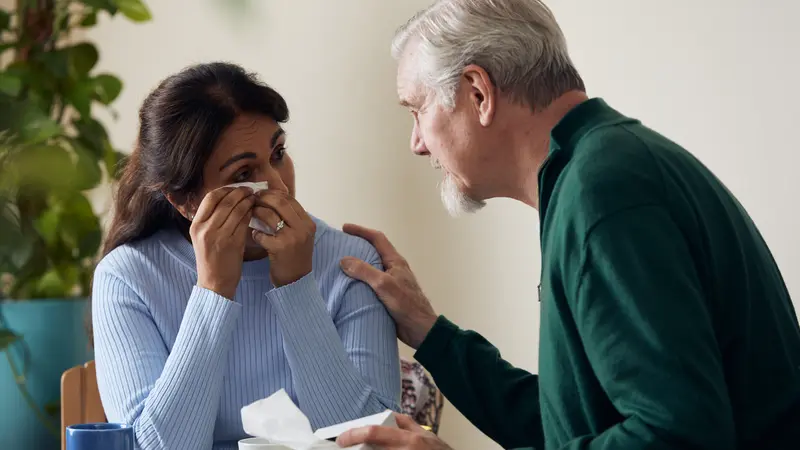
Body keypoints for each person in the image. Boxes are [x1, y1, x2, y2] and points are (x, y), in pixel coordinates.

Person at [335, 1, 800, 449]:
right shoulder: (606, 168)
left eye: (416, 110)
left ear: (478, 93)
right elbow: (572, 428)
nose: (417, 142)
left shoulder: (603, 193)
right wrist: (430, 332)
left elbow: (676, 436)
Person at [91, 62, 400, 450]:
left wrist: (297, 287)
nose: (278, 186)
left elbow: (375, 441)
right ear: (184, 201)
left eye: (278, 153)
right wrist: (214, 290)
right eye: (243, 174)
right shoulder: (129, 277)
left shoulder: (351, 263)